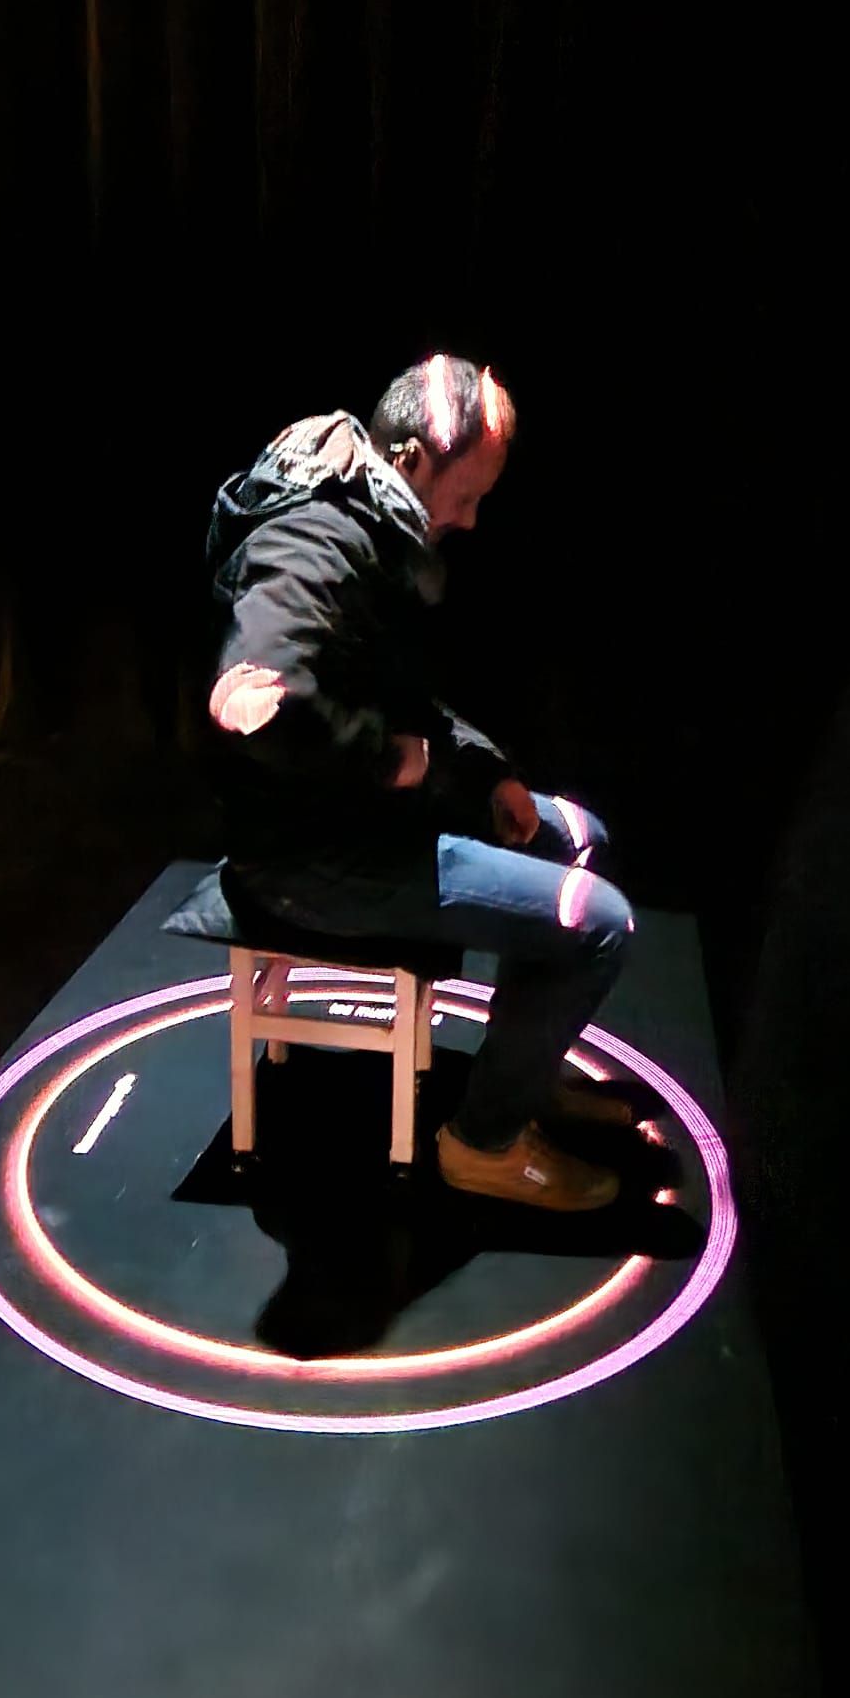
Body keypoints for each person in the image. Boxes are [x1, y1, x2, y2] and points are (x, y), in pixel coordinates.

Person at [204, 353, 634, 1210]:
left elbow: (398, 696)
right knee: (600, 925)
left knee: (579, 839)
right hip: (315, 863)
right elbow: (248, 703)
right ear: (409, 459)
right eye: (466, 497)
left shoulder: (371, 528)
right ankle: (483, 1144)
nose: (469, 521)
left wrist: (487, 775)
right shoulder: (311, 544)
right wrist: (387, 759)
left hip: (365, 822)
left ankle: (522, 1070)